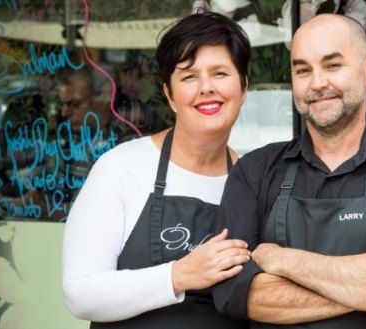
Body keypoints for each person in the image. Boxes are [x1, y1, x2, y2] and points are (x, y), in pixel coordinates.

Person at [212, 14, 366, 328]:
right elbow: (234, 293)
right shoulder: (255, 172)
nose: (318, 83)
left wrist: (280, 259)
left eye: (332, 65)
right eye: (303, 69)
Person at [62, 12, 252, 328]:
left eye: (219, 73)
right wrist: (177, 275)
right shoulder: (122, 168)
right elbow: (79, 293)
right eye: (189, 76)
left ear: (244, 88)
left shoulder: (251, 180)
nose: (206, 88)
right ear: (170, 95)